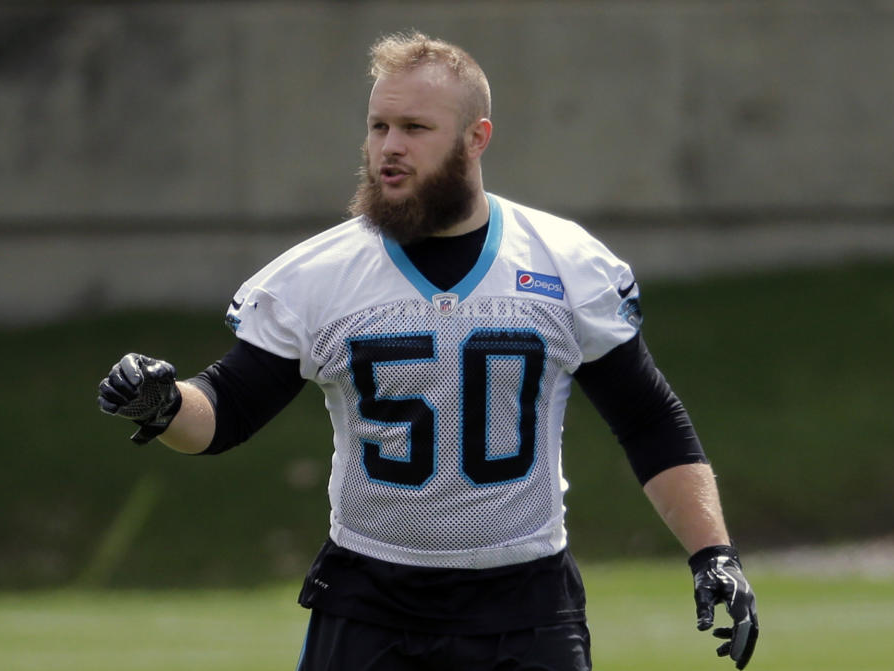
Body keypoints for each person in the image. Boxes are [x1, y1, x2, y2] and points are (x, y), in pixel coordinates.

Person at [98, 31, 758, 671]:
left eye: (415, 128)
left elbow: (647, 420)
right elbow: (226, 410)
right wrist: (162, 403)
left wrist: (712, 552)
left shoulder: (564, 263)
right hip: (370, 602)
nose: (389, 147)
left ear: (477, 138)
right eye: (379, 126)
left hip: (525, 605)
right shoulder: (320, 274)